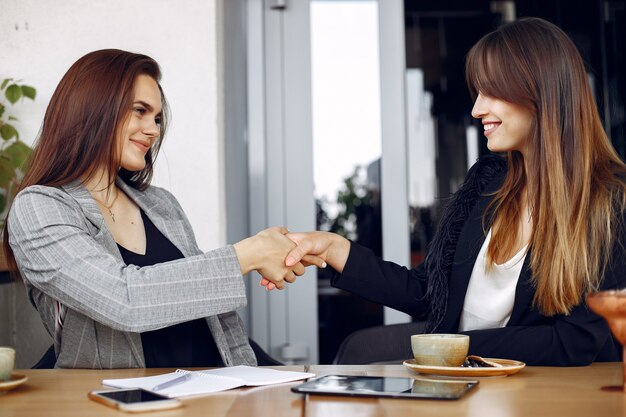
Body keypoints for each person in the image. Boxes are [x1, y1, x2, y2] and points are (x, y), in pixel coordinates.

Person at [266, 17, 626, 366]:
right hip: (462, 385)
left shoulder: (609, 202)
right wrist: (333, 248)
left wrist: (457, 344)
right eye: (478, 92)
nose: (477, 108)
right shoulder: (486, 184)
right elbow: (429, 294)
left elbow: (572, 343)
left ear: (541, 91)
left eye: (492, 92)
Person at [3, 49, 319, 369]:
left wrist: (266, 380)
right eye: (140, 111)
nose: (153, 130)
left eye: (156, 117)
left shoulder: (161, 204)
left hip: (207, 394)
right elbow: (124, 299)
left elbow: (215, 320)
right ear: (92, 109)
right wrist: (249, 254)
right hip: (114, 403)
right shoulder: (38, 208)